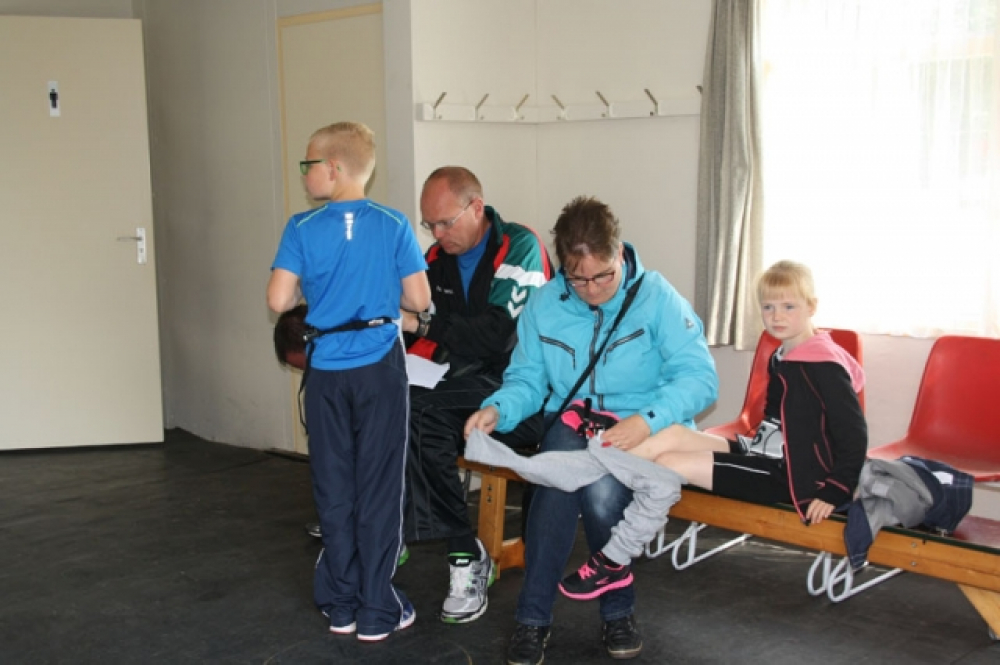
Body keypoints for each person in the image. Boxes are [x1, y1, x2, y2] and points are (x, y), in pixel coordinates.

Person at [465, 260, 868, 611]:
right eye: (768, 307)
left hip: (791, 476)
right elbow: (778, 427)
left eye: (789, 307)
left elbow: (853, 433)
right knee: (671, 434)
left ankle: (613, 559)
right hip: (764, 451)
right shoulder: (786, 352)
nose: (776, 316)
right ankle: (575, 467)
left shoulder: (822, 363)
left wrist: (835, 489)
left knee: (669, 464)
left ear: (812, 306)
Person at [464, 196, 718, 664]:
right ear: (562, 266)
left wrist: (647, 420)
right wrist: (498, 409)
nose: (592, 289)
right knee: (553, 488)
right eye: (577, 279)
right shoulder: (546, 303)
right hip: (574, 419)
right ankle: (532, 618)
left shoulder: (656, 297)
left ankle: (618, 611)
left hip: (639, 424)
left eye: (603, 275)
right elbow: (527, 379)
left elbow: (700, 378)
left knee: (602, 494)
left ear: (619, 253)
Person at [267, 121, 430, 642]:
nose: (304, 174)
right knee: (380, 487)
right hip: (380, 368)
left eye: (308, 164)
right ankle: (377, 610)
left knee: (334, 487)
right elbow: (419, 300)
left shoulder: (301, 227)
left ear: (333, 168)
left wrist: (316, 292)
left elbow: (278, 300)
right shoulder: (394, 223)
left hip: (326, 374)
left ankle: (342, 607)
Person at [402, 166, 553, 625]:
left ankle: (445, 547)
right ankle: (460, 551)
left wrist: (422, 325)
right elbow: (427, 334)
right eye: (429, 224)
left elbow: (496, 336)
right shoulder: (434, 259)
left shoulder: (521, 246)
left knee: (418, 413)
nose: (437, 234)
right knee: (396, 407)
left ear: (477, 208)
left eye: (445, 222)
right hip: (464, 388)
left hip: (525, 396)